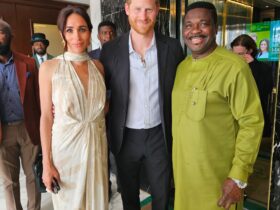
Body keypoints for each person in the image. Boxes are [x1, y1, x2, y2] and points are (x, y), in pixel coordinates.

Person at [172, 2, 264, 210]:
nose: (195, 30)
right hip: (184, 180)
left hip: (218, 183)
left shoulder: (235, 67)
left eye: (203, 24)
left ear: (215, 28)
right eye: (188, 25)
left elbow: (252, 122)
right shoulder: (181, 68)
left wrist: (238, 177)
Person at [100, 0, 184, 209]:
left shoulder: (172, 47)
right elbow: (99, 91)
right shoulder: (110, 51)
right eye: (137, 9)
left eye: (149, 9)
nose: (143, 16)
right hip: (125, 137)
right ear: (127, 9)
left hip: (160, 135)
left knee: (163, 194)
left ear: (157, 10)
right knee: (129, 197)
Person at [39, 5, 108, 210]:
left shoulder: (98, 67)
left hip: (97, 148)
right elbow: (45, 117)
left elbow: (100, 109)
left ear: (89, 33)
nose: (76, 36)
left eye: (82, 29)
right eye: (70, 30)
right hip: (66, 154)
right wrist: (46, 164)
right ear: (62, 34)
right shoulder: (49, 68)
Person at [0, 19, 41, 210]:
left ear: (9, 37)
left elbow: (39, 98)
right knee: (9, 181)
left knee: (32, 175)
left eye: (0, 33)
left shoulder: (28, 63)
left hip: (28, 127)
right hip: (3, 131)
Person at [231, 34, 273, 137]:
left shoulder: (262, 68)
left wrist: (253, 66)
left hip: (253, 117)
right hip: (232, 119)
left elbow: (263, 91)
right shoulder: (230, 66)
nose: (236, 57)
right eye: (234, 54)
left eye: (240, 54)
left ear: (249, 51)